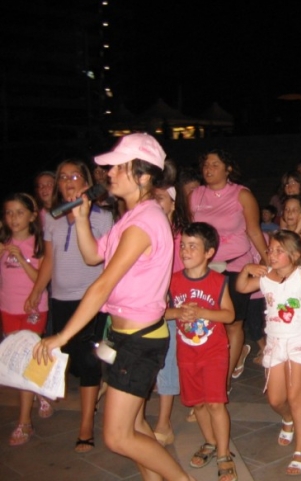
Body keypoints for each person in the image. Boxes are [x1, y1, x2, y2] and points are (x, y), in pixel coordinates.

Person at [33, 133, 195, 480]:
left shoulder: (144, 222)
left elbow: (102, 283)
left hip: (139, 341)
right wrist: (80, 220)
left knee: (117, 436)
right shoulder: (129, 218)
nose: (109, 173)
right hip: (122, 338)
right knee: (134, 425)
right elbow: (93, 256)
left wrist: (61, 336)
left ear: (143, 175)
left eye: (118, 167)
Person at [25, 159, 114, 452]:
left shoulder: (103, 218)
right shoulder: (52, 218)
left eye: (75, 175)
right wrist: (37, 291)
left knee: (89, 362)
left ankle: (86, 425)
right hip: (61, 300)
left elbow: (110, 263)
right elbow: (49, 260)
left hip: (91, 301)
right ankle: (94, 393)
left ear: (87, 184)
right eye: (62, 176)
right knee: (70, 360)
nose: (68, 181)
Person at [236, 230, 301, 475]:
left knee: (295, 397)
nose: (272, 255)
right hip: (276, 342)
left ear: (295, 254)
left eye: (279, 251)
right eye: (270, 250)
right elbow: (242, 287)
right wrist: (247, 267)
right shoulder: (266, 276)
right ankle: (288, 419)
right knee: (275, 399)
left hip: (299, 340)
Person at [190, 150, 268, 388]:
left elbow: (254, 230)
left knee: (233, 323)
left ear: (228, 169)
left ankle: (222, 382)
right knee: (203, 322)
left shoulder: (241, 194)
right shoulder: (196, 195)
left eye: (215, 164)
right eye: (206, 164)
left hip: (235, 266)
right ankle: (204, 373)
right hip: (203, 268)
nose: (209, 169)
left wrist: (268, 261)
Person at [166, 222, 237, 480]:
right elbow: (159, 311)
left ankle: (223, 454)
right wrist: (177, 312)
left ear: (209, 252)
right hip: (187, 353)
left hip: (214, 351)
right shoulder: (172, 281)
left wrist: (203, 312)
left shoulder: (218, 282)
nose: (185, 251)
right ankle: (210, 442)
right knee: (197, 404)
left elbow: (229, 315)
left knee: (215, 403)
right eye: (183, 245)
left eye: (192, 246)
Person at [1, 193, 51, 446]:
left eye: (19, 212)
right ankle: (38, 392)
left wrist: (20, 258)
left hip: (34, 310)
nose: (14, 218)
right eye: (9, 213)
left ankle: (25, 422)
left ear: (32, 216)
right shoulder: (3, 242)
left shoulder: (38, 244)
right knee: (18, 362)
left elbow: (39, 280)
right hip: (8, 309)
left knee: (25, 362)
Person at [152, 172, 192, 444]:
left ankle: (164, 422)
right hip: (148, 301)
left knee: (169, 360)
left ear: (173, 204)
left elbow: (185, 272)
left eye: (160, 198)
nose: (154, 202)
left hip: (172, 303)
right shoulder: (146, 231)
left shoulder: (181, 237)